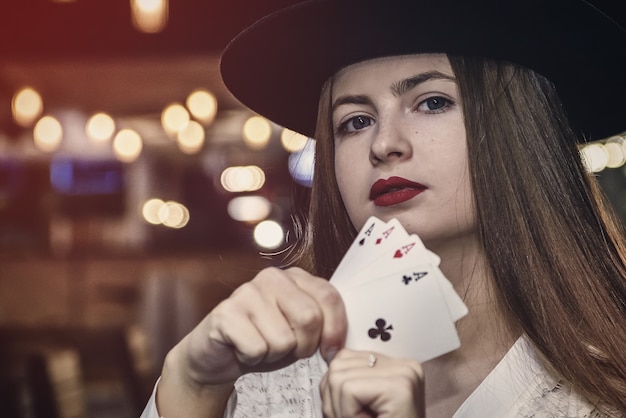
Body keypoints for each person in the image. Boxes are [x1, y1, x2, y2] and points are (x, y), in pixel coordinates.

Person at [141, 0, 626, 416]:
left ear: (520, 133)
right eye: (354, 121)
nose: (384, 143)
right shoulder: (265, 383)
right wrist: (190, 382)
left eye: (432, 102)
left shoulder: (605, 392)